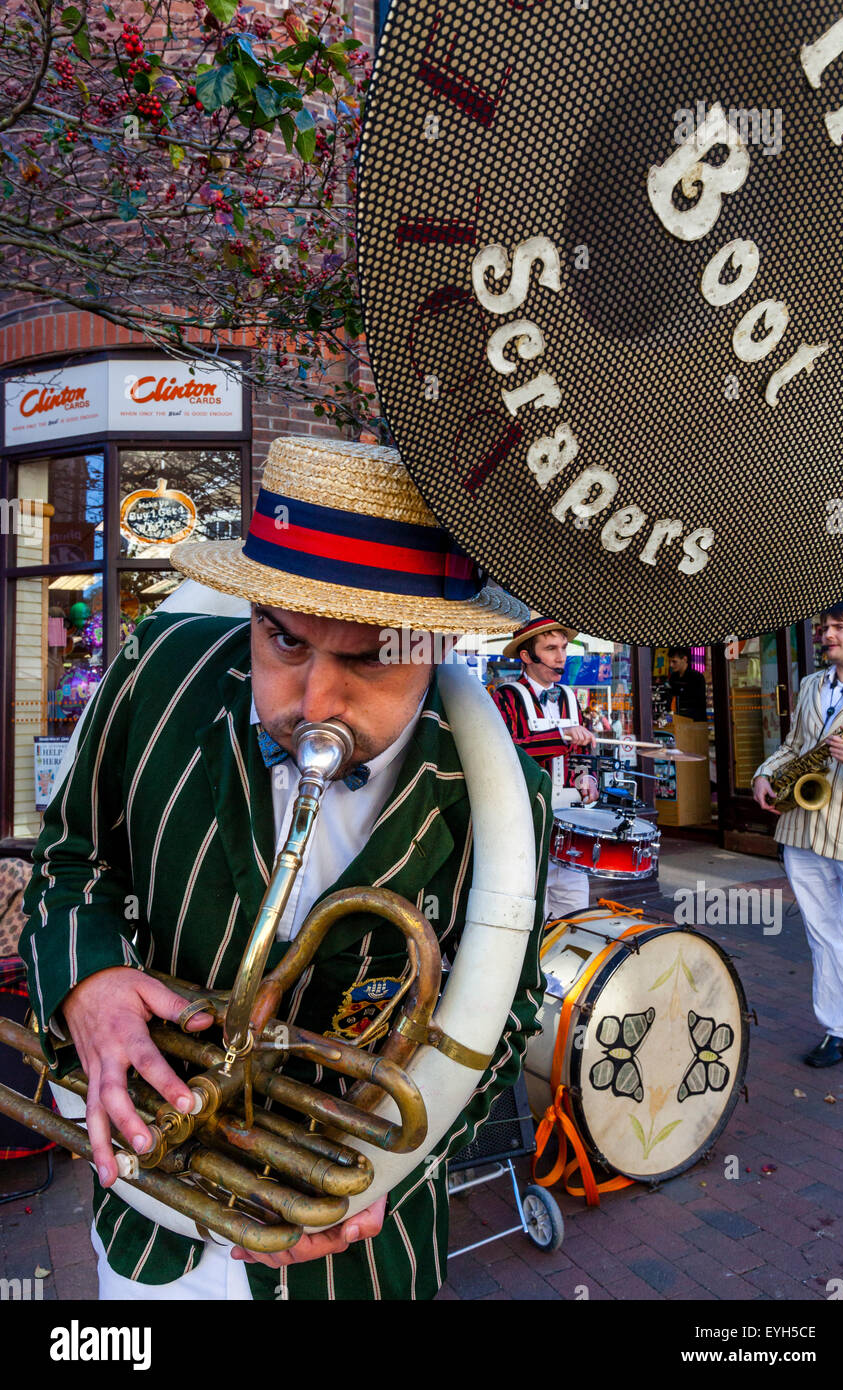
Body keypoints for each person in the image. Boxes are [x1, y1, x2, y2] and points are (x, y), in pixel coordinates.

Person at [19, 436, 551, 1301]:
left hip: (353, 1255)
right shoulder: (157, 673)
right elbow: (72, 859)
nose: (313, 706)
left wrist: (383, 1183)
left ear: (438, 644)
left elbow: (502, 1015)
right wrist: (86, 983)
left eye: (372, 656)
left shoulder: (502, 797)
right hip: (151, 1231)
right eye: (284, 641)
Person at [753, 598, 843, 1068]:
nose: (826, 635)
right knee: (823, 936)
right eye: (823, 627)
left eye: (838, 627)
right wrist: (764, 772)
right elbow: (795, 746)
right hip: (803, 830)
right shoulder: (810, 684)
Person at [492, 617, 598, 921]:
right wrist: (560, 737)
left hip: (568, 826)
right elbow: (506, 751)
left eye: (563, 648)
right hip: (525, 822)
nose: (561, 657)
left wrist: (587, 779)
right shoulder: (506, 696)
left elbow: (580, 756)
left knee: (575, 913)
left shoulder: (569, 697)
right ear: (527, 656)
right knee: (527, 913)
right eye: (551, 648)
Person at [663, 646, 707, 721]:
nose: (671, 665)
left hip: (695, 721)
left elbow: (699, 704)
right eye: (669, 661)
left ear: (684, 659)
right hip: (677, 718)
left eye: (674, 661)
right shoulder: (673, 677)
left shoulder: (696, 677)